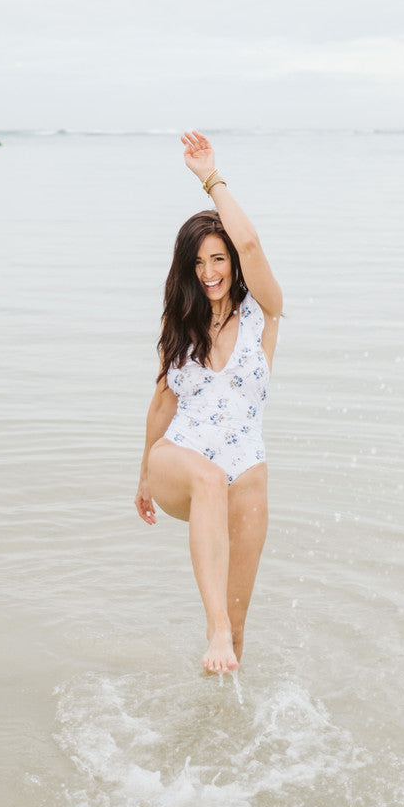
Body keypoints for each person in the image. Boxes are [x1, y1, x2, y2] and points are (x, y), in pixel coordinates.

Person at [134, 130, 283, 674]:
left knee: (238, 630)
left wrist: (212, 180)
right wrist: (143, 475)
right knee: (207, 479)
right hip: (182, 458)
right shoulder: (184, 325)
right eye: (198, 263)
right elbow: (159, 404)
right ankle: (214, 626)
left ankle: (220, 721)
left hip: (244, 466)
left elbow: (252, 246)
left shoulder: (262, 317)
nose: (210, 272)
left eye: (218, 259)